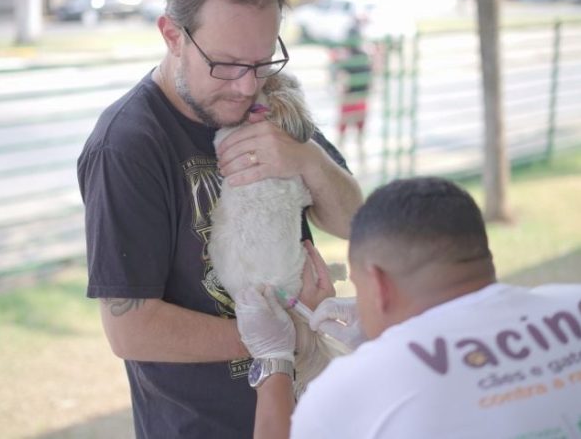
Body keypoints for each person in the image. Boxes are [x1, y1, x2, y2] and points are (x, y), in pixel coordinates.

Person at [76, 0, 363, 437]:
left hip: (311, 414)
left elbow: (360, 224)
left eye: (262, 60)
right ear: (172, 36)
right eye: (227, 64)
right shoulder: (127, 146)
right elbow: (131, 329)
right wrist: (282, 340)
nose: (247, 85)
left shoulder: (270, 100)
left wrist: (307, 159)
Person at [236, 176, 581, 438]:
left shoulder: (356, 387)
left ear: (379, 283)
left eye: (357, 282)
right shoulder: (571, 301)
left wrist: (272, 362)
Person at [333, 22, 372, 168]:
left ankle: (339, 164)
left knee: (342, 136)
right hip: (361, 100)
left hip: (348, 101)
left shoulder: (346, 60)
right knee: (360, 137)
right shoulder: (365, 57)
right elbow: (371, 82)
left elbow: (341, 81)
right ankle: (363, 165)